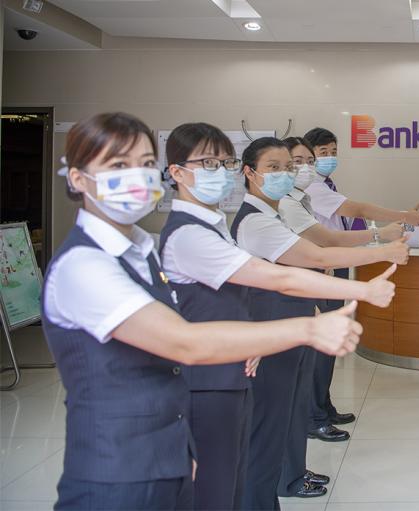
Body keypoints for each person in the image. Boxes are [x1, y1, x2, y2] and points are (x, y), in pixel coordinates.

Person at [44, 112, 363, 510]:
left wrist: (182, 445)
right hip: (117, 468)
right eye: (118, 164)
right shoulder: (84, 265)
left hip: (167, 442)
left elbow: (184, 321)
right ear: (78, 179)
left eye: (145, 163)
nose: (137, 175)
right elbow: (183, 341)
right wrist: (307, 329)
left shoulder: (142, 248)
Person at [160, 123, 399, 508]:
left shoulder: (217, 225)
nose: (288, 174)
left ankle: (280, 485)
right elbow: (284, 275)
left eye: (224, 162)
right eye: (208, 163)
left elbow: (239, 290)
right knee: (240, 461)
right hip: (209, 375)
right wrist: (365, 286)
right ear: (176, 171)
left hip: (236, 358)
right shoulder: (197, 232)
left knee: (256, 448)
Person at [231, 136, 409, 508]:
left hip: (291, 324)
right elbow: (316, 254)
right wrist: (383, 251)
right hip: (271, 332)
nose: (287, 174)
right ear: (249, 172)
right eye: (275, 167)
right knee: (271, 421)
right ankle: (278, 485)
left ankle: (290, 476)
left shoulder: (276, 213)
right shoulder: (256, 222)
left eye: (291, 166)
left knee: (290, 409)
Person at [279, 135, 406, 446]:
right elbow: (329, 239)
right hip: (310, 278)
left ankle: (322, 408)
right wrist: (382, 240)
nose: (308, 167)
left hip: (322, 271)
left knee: (327, 350)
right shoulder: (293, 200)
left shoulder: (304, 197)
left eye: (311, 161)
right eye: (299, 162)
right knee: (317, 352)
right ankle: (314, 418)